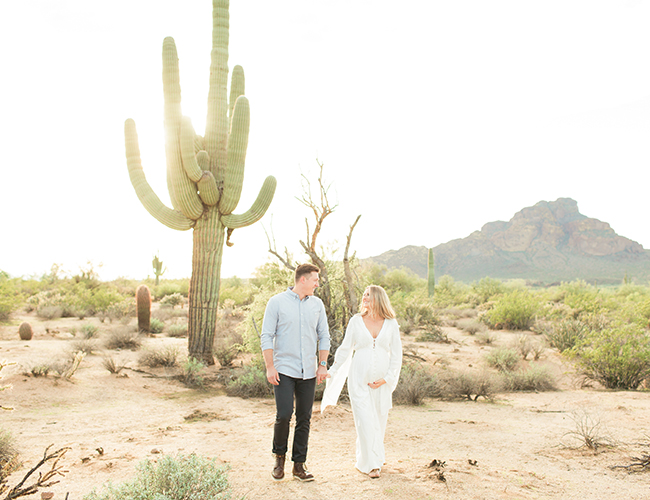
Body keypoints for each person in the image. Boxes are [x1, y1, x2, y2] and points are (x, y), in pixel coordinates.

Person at [321, 285, 402, 479]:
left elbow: (397, 355)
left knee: (379, 422)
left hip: (382, 383)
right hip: (358, 380)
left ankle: (372, 457)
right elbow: (344, 349)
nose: (364, 298)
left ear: (378, 299)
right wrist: (332, 370)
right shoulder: (356, 321)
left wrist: (387, 379)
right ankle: (371, 465)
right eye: (364, 294)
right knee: (365, 421)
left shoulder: (391, 323)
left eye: (369, 295)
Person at [261, 263, 330, 482]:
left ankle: (299, 465)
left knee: (304, 418)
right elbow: (266, 336)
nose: (317, 284)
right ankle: (279, 459)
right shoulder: (277, 302)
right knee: (283, 415)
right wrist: (270, 366)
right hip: (283, 370)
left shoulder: (317, 305)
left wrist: (322, 364)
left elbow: (324, 336)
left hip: (308, 371)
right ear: (303, 280)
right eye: (315, 280)